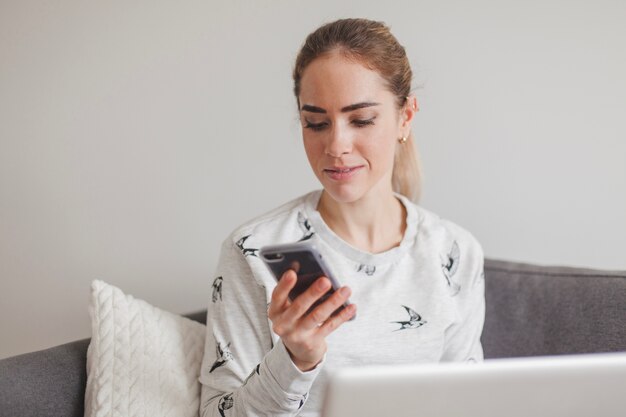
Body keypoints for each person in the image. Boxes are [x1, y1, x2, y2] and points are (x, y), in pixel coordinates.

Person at [199, 18, 485, 417]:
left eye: (361, 119)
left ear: (406, 117)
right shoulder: (252, 251)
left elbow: (468, 403)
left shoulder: (455, 252)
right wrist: (296, 359)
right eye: (316, 123)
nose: (336, 145)